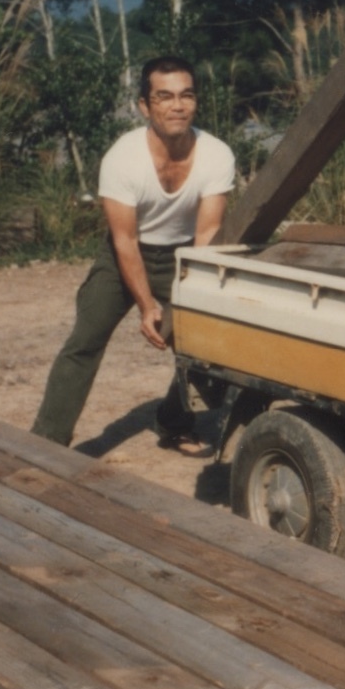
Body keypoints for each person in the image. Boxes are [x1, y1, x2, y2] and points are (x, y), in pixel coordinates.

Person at [31, 56, 236, 450]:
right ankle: (47, 443)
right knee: (85, 340)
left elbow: (208, 232)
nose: (177, 106)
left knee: (205, 341)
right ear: (145, 106)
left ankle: (173, 421)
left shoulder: (217, 154)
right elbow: (123, 240)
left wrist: (191, 299)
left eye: (186, 95)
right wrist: (146, 305)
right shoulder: (122, 158)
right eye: (164, 97)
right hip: (126, 252)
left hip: (184, 256)